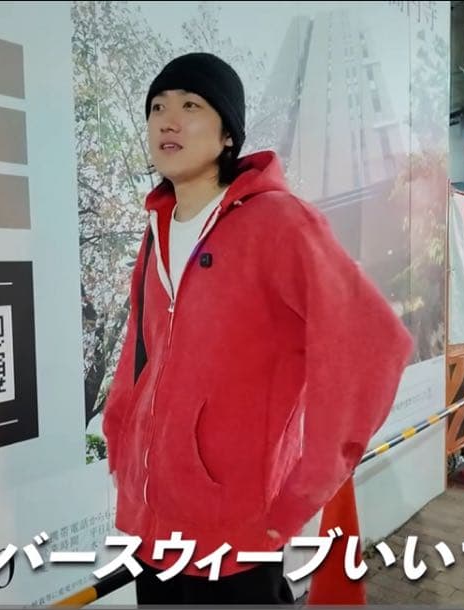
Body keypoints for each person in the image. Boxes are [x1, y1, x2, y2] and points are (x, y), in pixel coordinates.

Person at [101, 52, 414, 605]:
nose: (168, 121)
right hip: (153, 523)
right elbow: (138, 353)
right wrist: (122, 441)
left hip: (234, 532)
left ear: (228, 134)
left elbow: (372, 345)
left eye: (190, 106)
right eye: (157, 107)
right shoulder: (157, 230)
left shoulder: (277, 222)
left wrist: (304, 487)